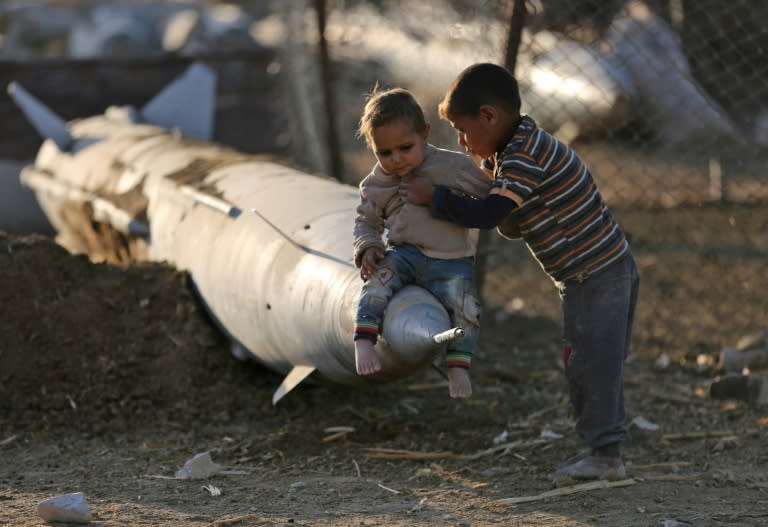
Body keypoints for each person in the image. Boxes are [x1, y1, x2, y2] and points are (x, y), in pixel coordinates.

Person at [399, 63, 640, 485]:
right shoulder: (513, 152)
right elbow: (512, 218)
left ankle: (606, 455)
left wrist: (435, 197)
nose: (460, 141)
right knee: (585, 361)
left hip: (598, 274)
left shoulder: (525, 154)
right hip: (590, 274)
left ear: (490, 117)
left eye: (461, 129)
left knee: (593, 364)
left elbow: (493, 214)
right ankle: (603, 445)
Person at [352, 87, 492, 398]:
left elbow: (488, 193)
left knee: (467, 308)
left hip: (452, 259)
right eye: (384, 153)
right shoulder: (376, 184)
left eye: (405, 147)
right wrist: (369, 247)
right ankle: (363, 340)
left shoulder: (450, 166)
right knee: (376, 283)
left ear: (425, 134)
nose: (397, 159)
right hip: (406, 255)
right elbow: (366, 221)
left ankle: (457, 366)